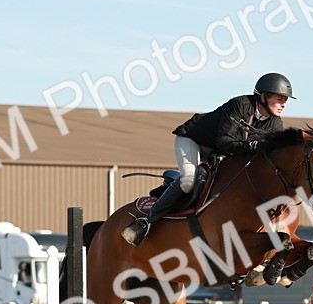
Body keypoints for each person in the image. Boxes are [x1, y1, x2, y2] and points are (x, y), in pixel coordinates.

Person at [121, 72, 295, 246]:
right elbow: (224, 142)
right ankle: (145, 222)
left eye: (285, 100)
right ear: (263, 96)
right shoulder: (240, 105)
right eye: (280, 99)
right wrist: (252, 146)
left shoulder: (275, 124)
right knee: (189, 181)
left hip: (220, 153)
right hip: (194, 141)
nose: (283, 104)